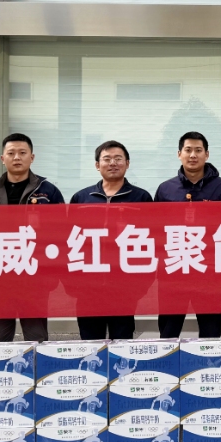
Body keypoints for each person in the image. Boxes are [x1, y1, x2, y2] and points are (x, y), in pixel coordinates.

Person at [0, 132, 64, 342]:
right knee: (0, 337)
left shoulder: (48, 192)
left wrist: (54, 270)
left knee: (36, 336)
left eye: (22, 153)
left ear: (32, 157)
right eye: (11, 153)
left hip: (35, 273)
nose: (17, 157)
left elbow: (62, 231)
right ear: (2, 158)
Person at [155, 131, 221, 338]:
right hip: (173, 270)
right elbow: (156, 230)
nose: (193, 155)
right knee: (169, 330)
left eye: (198, 150)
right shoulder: (165, 190)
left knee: (210, 330)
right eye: (188, 150)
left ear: (206, 154)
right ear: (179, 154)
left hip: (209, 271)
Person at [69, 140, 153, 340]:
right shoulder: (82, 198)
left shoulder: (141, 198)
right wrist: (71, 284)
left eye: (118, 159)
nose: (113, 163)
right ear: (97, 165)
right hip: (88, 285)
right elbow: (69, 242)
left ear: (127, 163)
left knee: (122, 341)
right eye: (107, 159)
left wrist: (142, 286)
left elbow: (151, 243)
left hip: (124, 285)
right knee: (90, 342)